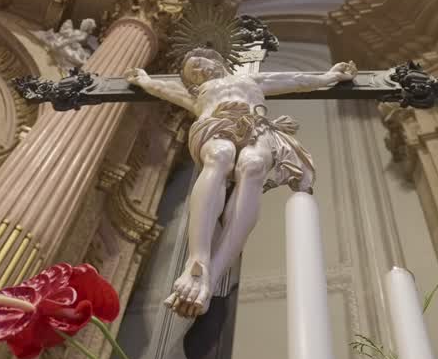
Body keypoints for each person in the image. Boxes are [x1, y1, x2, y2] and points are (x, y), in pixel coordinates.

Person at [126, 49, 357, 317]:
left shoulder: (252, 82)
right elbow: (162, 88)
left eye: (200, 62)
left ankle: (210, 276)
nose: (199, 70)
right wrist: (144, 80)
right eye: (193, 72)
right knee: (220, 154)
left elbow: (295, 79)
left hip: (255, 126)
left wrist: (328, 77)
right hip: (213, 124)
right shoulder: (197, 94)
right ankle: (196, 259)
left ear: (218, 60)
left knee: (253, 165)